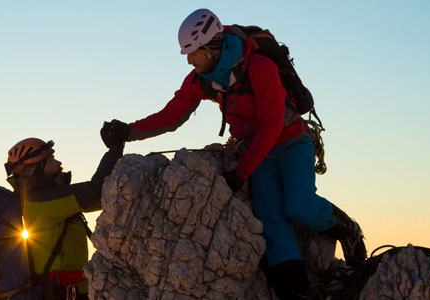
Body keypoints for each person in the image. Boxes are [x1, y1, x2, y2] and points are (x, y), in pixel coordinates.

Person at [100, 8, 366, 299]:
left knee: (298, 204)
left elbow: (272, 126)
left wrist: (240, 174)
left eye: (194, 52)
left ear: (213, 46)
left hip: (292, 141)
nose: (189, 59)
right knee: (272, 222)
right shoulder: (202, 79)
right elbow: (171, 116)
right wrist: (128, 131)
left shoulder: (260, 68)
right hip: (258, 151)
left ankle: (346, 229)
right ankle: (296, 293)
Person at [4, 137, 124, 300]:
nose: (58, 163)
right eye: (51, 159)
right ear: (35, 168)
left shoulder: (48, 200)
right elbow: (96, 191)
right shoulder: (41, 202)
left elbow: (104, 198)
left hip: (71, 292)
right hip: (63, 294)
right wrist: (116, 146)